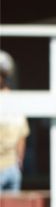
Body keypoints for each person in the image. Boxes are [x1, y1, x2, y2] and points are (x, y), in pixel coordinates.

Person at [0, 51, 29, 194]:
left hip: (11, 166)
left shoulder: (14, 102)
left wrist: (18, 163)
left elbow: (22, 137)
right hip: (12, 166)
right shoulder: (15, 101)